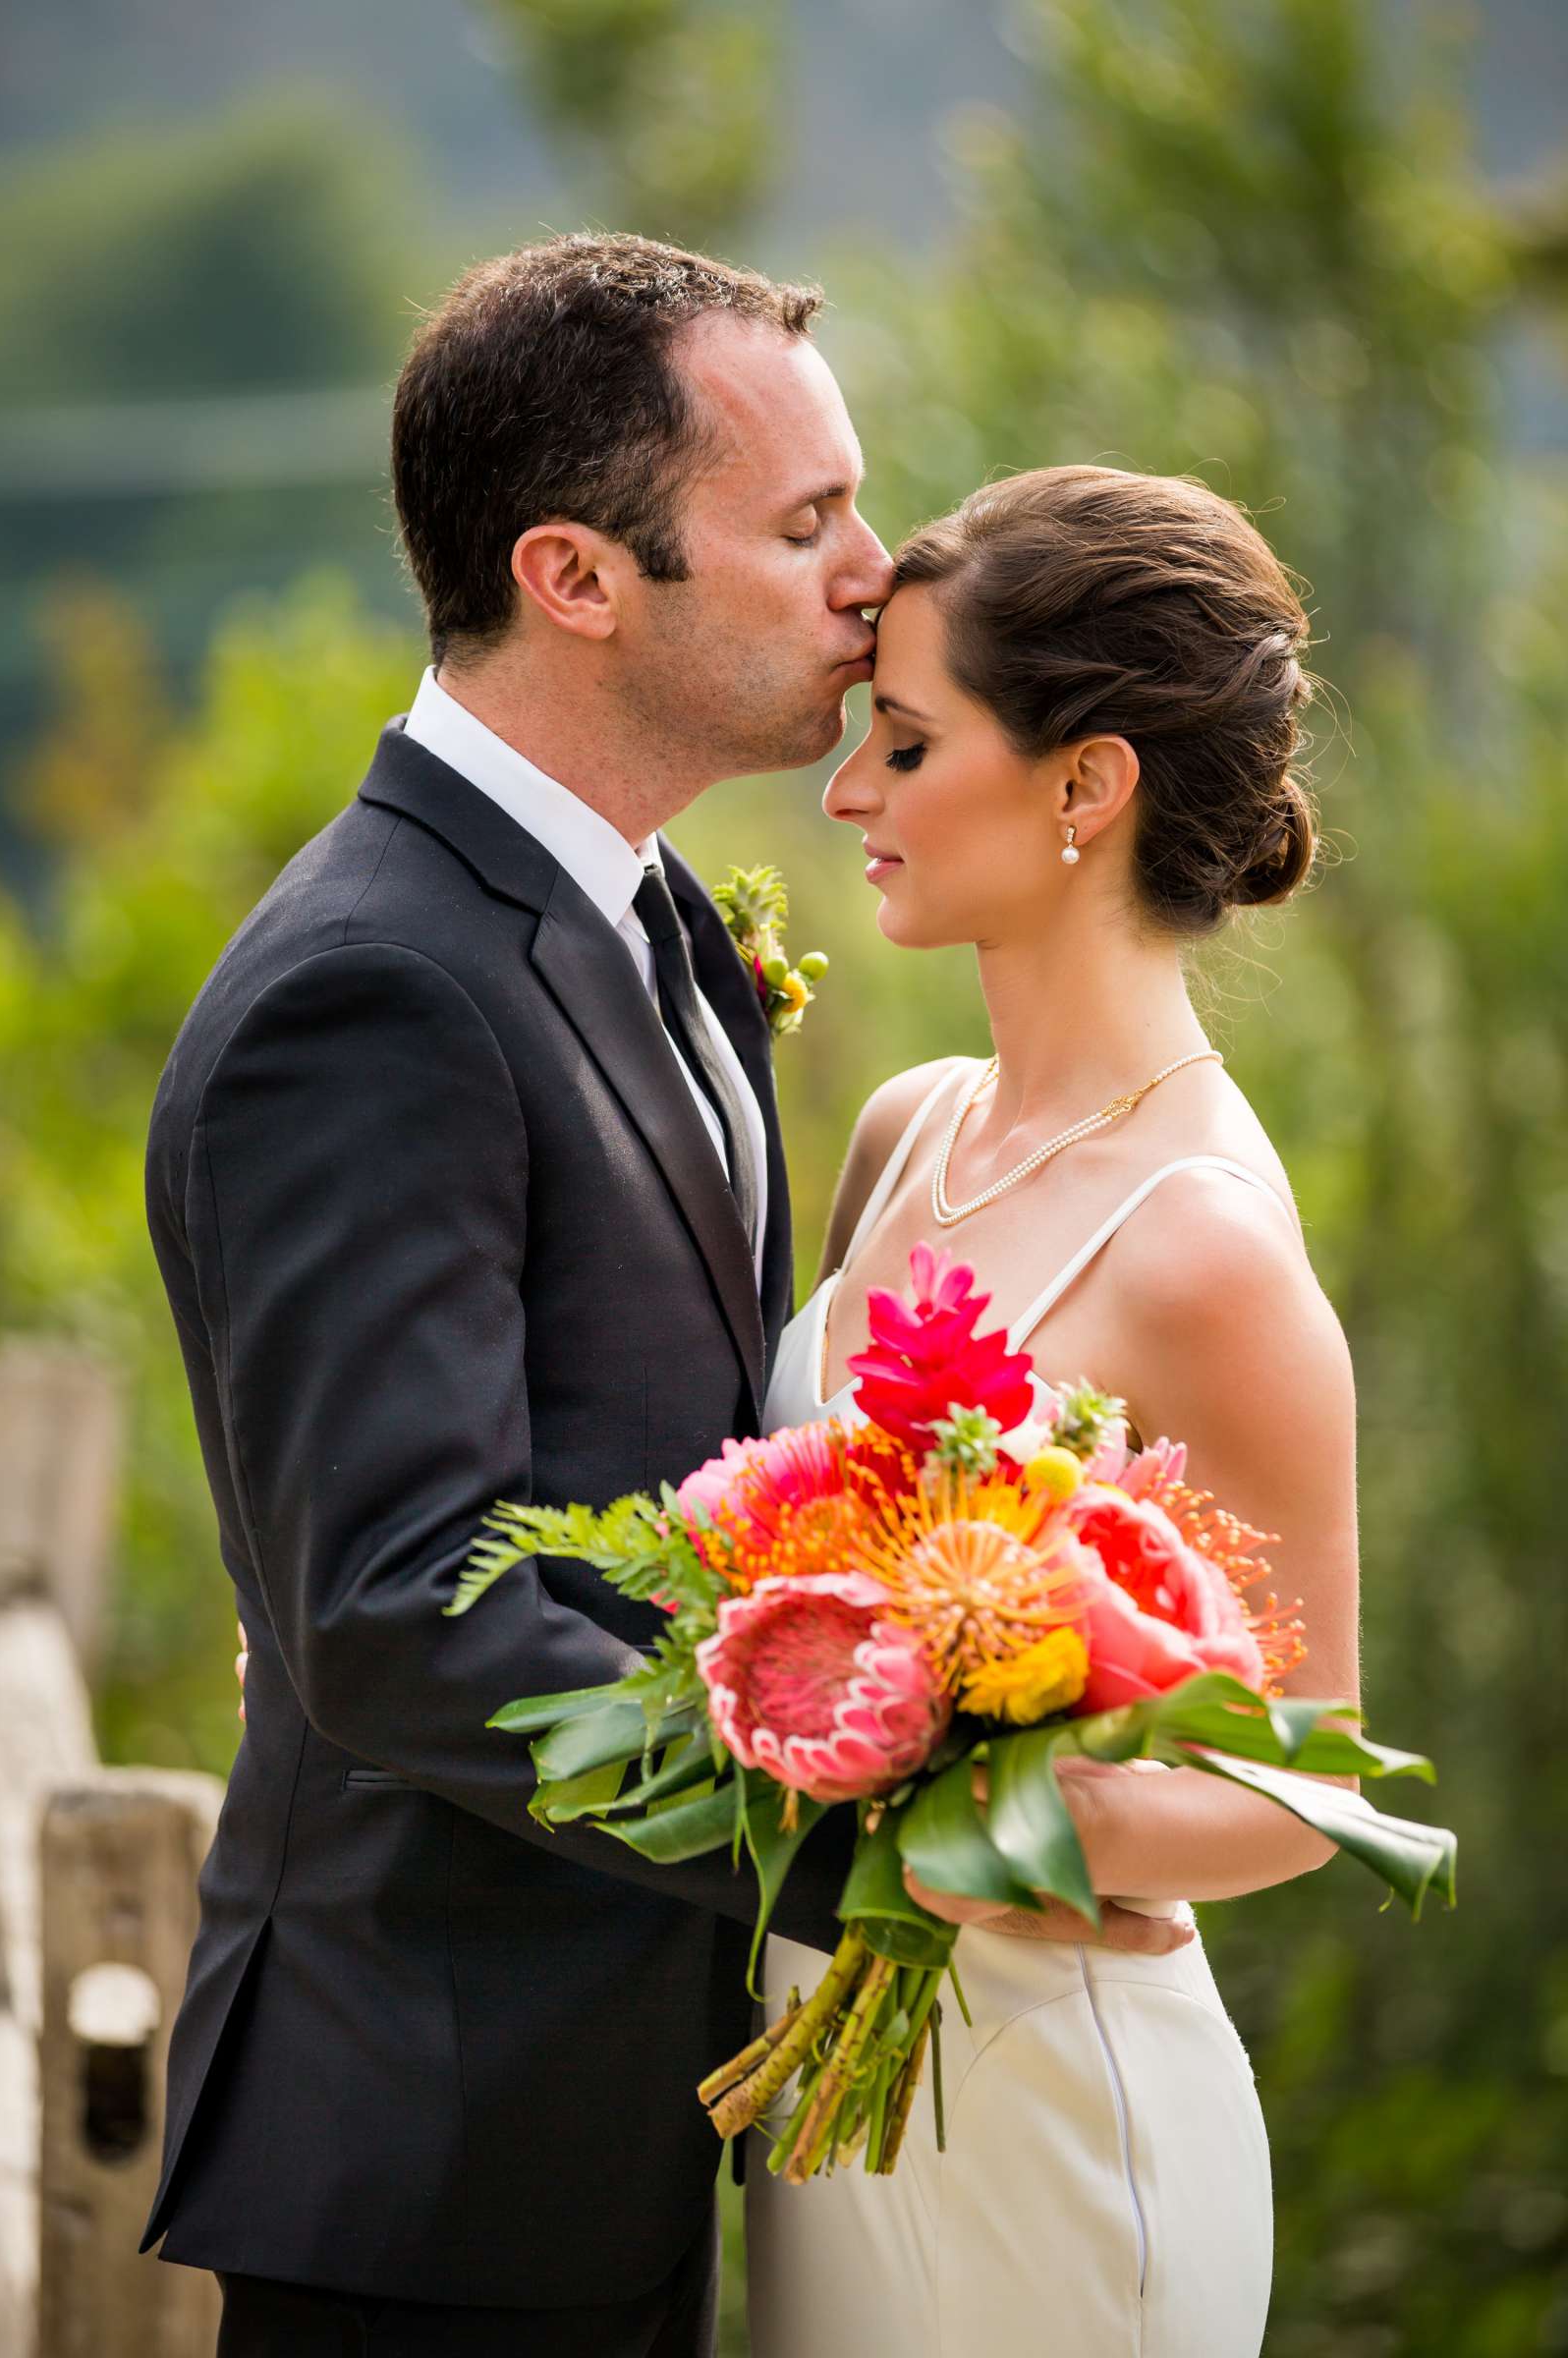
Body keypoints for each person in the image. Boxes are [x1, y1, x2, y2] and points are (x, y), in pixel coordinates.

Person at [144, 239, 1191, 2358]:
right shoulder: (373, 991)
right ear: (576, 575)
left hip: (619, 2121)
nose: (873, 572)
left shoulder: (647, 922)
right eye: (801, 525)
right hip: (433, 2164)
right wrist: (867, 1848)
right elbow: (399, 1605)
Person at [748, 465, 1361, 2357]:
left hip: (1054, 2130)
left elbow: (1303, 1784)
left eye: (909, 745)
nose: (849, 795)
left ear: (1086, 787)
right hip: (820, 2098)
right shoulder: (902, 1129)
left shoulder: (1203, 1254)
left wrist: (982, 1820)